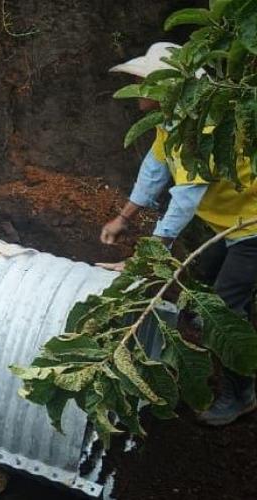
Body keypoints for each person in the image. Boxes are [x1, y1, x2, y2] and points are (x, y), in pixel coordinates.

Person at [101, 42, 257, 426]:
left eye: (144, 83)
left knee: (220, 313)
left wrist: (145, 257)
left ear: (166, 89)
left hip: (252, 227)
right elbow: (155, 168)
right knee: (205, 291)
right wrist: (123, 217)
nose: (137, 91)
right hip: (226, 225)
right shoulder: (173, 122)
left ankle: (241, 394)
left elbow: (184, 200)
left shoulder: (201, 127)